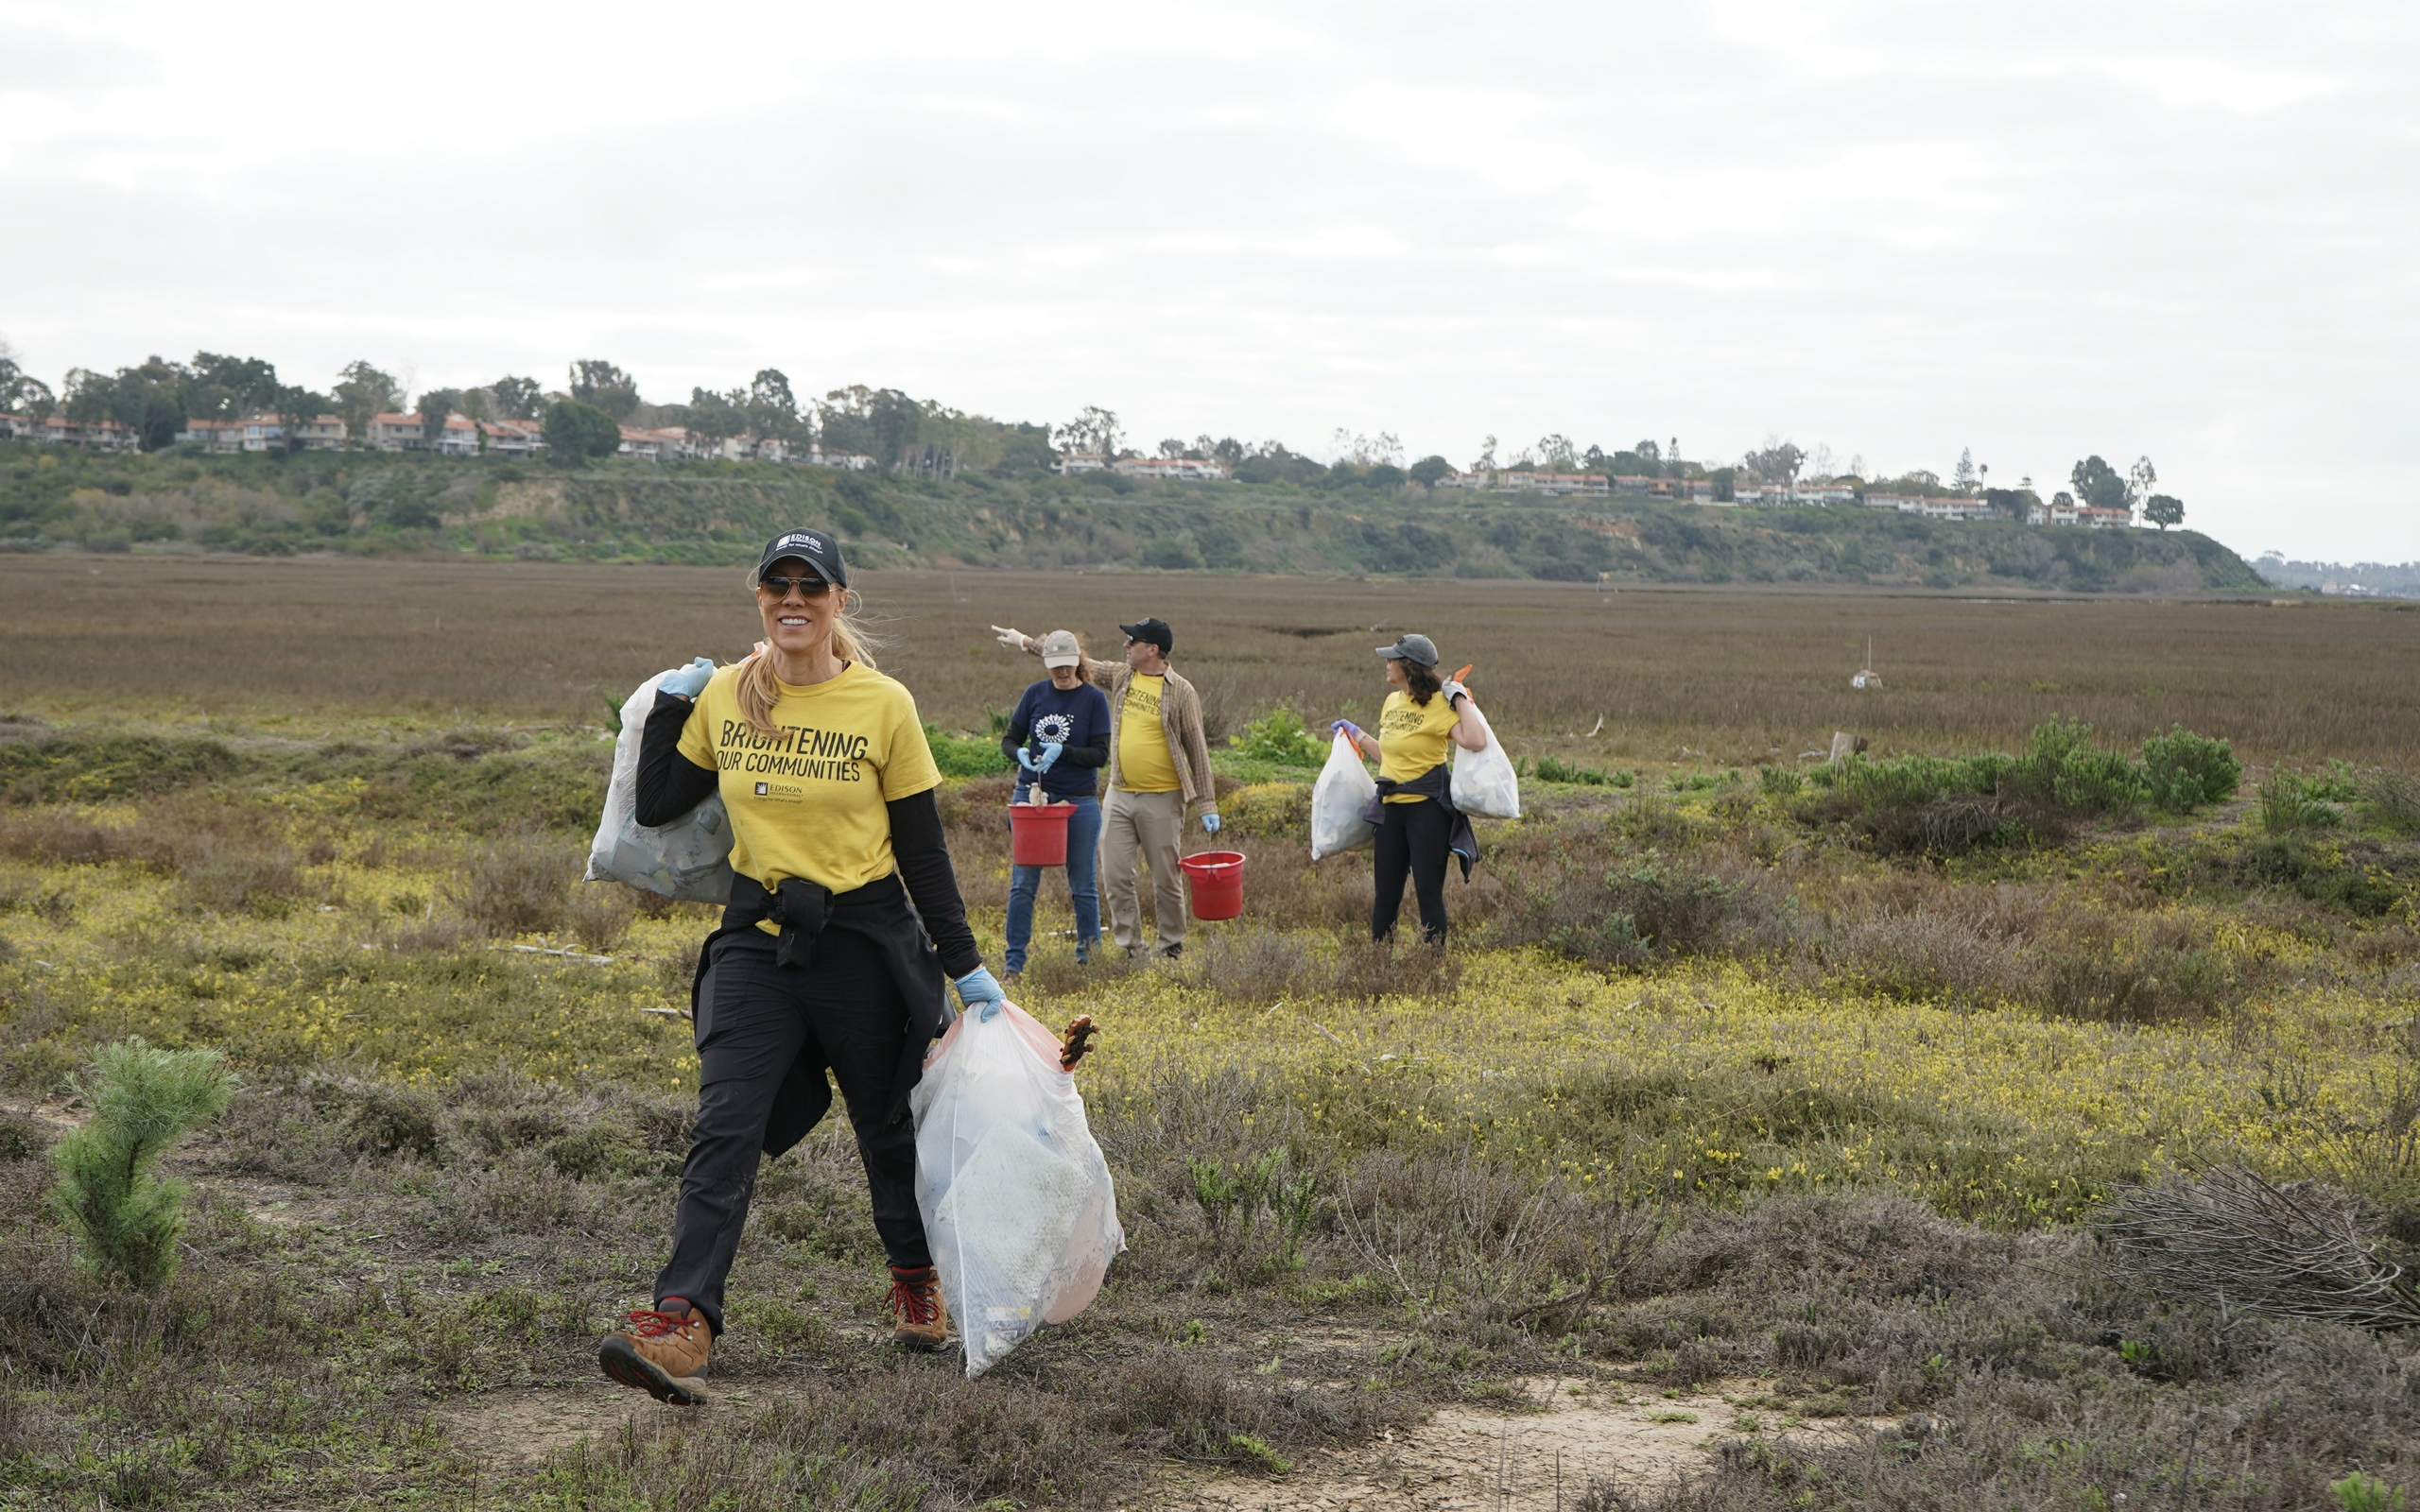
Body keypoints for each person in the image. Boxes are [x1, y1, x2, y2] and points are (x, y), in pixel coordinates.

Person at [598, 527, 1006, 1406]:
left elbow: (922, 851)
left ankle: (913, 1278)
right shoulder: (727, 696)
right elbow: (663, 801)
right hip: (757, 934)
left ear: (838, 602)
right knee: (725, 1123)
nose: (792, 598)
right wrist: (673, 702)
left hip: (863, 942)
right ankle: (681, 1320)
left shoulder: (883, 704)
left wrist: (965, 968)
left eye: (809, 586)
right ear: (759, 599)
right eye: (776, 584)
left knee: (884, 1124)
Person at [991, 616, 1219, 961]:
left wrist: (1208, 804)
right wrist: (1025, 640)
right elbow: (1075, 659)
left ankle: (1170, 945)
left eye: (1132, 642)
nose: (1126, 646)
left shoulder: (1181, 691)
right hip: (1120, 793)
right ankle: (1132, 948)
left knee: (1165, 876)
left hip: (1163, 795)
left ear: (1152, 649)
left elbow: (1197, 748)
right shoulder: (1122, 675)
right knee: (1115, 875)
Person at [1332, 632, 1489, 946]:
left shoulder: (1440, 706)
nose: (1387, 664)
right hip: (1391, 810)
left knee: (1428, 894)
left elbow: (1476, 740)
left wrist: (1459, 697)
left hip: (1428, 812)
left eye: (1392, 659)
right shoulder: (1392, 701)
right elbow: (1391, 755)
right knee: (1385, 895)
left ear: (1409, 666)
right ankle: (1379, 966)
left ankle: (1431, 970)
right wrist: (1357, 734)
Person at [999, 629, 1114, 982]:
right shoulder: (1035, 694)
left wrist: (1063, 751)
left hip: (1078, 799)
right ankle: (1013, 965)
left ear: (1078, 662)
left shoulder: (1093, 700)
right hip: (1033, 797)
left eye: (1067, 665)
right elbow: (1010, 739)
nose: (1061, 672)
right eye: (1055, 667)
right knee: (1022, 884)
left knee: (1083, 884)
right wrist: (1018, 752)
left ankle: (1089, 960)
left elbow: (1100, 754)